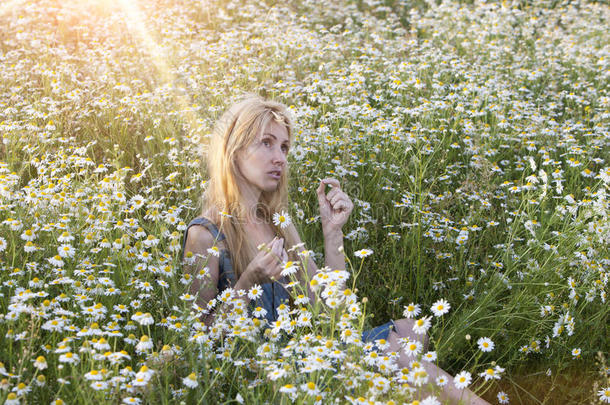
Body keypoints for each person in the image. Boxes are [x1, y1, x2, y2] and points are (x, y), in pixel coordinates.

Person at [182, 95, 489, 404]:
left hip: (305, 354)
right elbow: (199, 341)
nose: (280, 158)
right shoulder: (205, 235)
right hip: (267, 374)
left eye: (284, 147)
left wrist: (333, 234)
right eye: (267, 143)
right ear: (235, 150)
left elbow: (331, 308)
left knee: (411, 331)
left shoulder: (278, 222)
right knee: (400, 355)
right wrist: (248, 282)